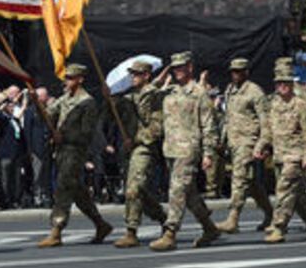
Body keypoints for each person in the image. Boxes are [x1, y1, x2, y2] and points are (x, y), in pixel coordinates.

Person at [149, 52, 221, 251]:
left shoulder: (199, 93)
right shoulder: (169, 91)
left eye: (182, 67)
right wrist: (160, 79)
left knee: (177, 190)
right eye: (175, 68)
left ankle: (170, 232)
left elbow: (208, 125)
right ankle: (210, 228)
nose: (178, 71)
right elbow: (146, 96)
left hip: (188, 149)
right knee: (189, 195)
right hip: (170, 149)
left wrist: (208, 153)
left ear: (190, 67)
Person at [37, 64, 112, 248]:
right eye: (66, 77)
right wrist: (35, 103)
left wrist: (64, 136)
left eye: (71, 77)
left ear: (80, 79)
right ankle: (100, 224)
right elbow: (47, 115)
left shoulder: (87, 102)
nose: (67, 81)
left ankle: (56, 230)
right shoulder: (64, 99)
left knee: (63, 188)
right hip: (62, 150)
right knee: (78, 192)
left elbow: (87, 133)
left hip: (75, 151)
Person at [255, 68, 306, 243]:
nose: (282, 86)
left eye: (286, 83)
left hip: (295, 155)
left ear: (292, 84)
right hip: (279, 155)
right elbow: (268, 130)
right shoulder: (274, 105)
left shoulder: (301, 105)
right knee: (298, 196)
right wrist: (261, 146)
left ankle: (279, 227)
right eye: (279, 83)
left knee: (284, 191)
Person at [113, 61, 169, 248]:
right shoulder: (129, 97)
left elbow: (156, 127)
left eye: (137, 74)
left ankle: (131, 231)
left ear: (147, 76)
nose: (133, 77)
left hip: (144, 148)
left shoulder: (155, 96)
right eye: (132, 74)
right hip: (129, 150)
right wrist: (109, 99)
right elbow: (113, 114)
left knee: (133, 189)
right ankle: (163, 217)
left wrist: (135, 139)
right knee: (140, 192)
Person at [215, 58, 274, 234]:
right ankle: (270, 213)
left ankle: (233, 218)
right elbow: (228, 118)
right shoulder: (230, 90)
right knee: (251, 183)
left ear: (246, 72)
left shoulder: (255, 92)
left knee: (239, 179)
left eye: (239, 71)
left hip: (248, 142)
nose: (236, 74)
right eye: (233, 71)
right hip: (233, 142)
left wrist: (262, 144)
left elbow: (266, 122)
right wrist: (222, 140)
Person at [0, 89, 26, 209]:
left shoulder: (14, 119)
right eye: (9, 105)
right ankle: (5, 200)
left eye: (12, 105)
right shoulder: (1, 117)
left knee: (16, 179)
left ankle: (15, 199)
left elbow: (20, 136)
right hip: (6, 154)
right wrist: (1, 107)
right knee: (5, 180)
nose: (11, 107)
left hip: (17, 153)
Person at [25, 87, 54, 208]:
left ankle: (47, 195)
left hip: (47, 146)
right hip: (36, 148)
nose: (46, 97)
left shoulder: (48, 110)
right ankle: (37, 195)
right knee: (38, 174)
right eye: (44, 95)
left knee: (47, 173)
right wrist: (30, 149)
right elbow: (27, 131)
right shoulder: (31, 111)